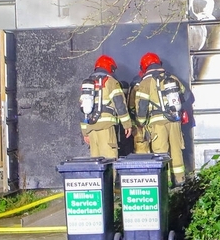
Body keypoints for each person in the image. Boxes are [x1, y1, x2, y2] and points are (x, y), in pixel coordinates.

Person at [134, 52, 188, 185]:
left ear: (144, 67)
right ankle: (180, 181)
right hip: (174, 120)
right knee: (176, 150)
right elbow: (186, 95)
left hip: (157, 123)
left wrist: (140, 122)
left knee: (161, 153)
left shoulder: (145, 82)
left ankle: (165, 183)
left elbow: (142, 106)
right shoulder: (173, 78)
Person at [78, 55, 132, 159]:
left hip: (91, 129)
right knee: (110, 159)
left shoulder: (87, 85)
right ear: (109, 67)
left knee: (96, 163)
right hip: (106, 128)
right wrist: (127, 124)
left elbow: (81, 110)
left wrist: (85, 132)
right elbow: (120, 104)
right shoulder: (110, 82)